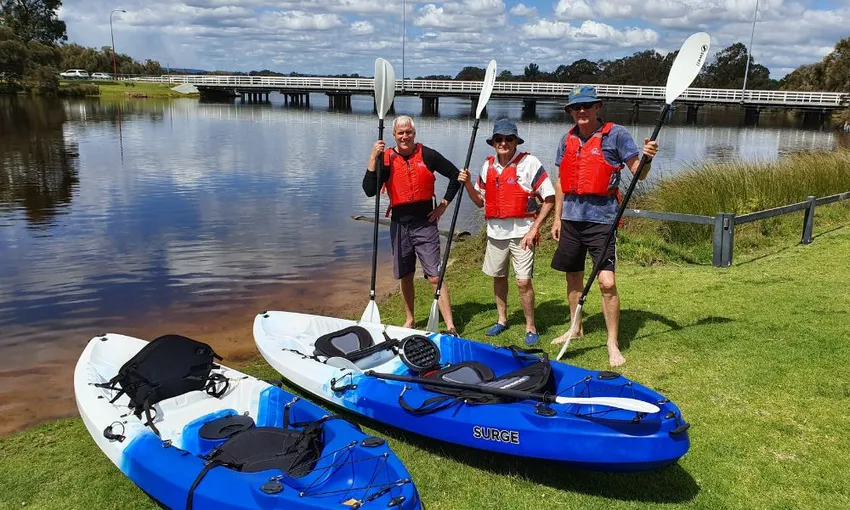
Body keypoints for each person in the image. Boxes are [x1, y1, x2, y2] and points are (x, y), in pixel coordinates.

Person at [550, 86, 658, 367]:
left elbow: (639, 174)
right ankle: (576, 328)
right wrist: (557, 217)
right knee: (573, 278)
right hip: (572, 220)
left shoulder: (617, 134)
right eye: (576, 108)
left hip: (603, 221)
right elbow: (561, 181)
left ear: (597, 107)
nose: (581, 111)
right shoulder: (567, 139)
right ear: (571, 111)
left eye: (586, 106)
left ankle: (612, 342)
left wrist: (647, 158)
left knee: (606, 283)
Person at [457, 119, 555, 346]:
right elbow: (480, 201)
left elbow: (549, 198)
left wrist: (534, 229)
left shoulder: (530, 163)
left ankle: (530, 326)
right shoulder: (487, 165)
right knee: (499, 277)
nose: (503, 143)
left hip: (523, 235)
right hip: (495, 234)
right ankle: (502, 320)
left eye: (508, 139)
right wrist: (468, 184)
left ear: (515, 141)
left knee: (523, 282)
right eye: (499, 139)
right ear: (493, 143)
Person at [363, 115, 461, 334]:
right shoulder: (386, 159)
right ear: (394, 135)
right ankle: (410, 319)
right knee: (405, 275)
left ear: (414, 134)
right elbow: (369, 190)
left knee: (435, 276)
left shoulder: (427, 154)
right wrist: (372, 158)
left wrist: (443, 205)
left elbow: (455, 175)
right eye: (400, 133)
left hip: (425, 224)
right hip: (399, 225)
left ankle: (451, 325)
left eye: (408, 132)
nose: (405, 136)